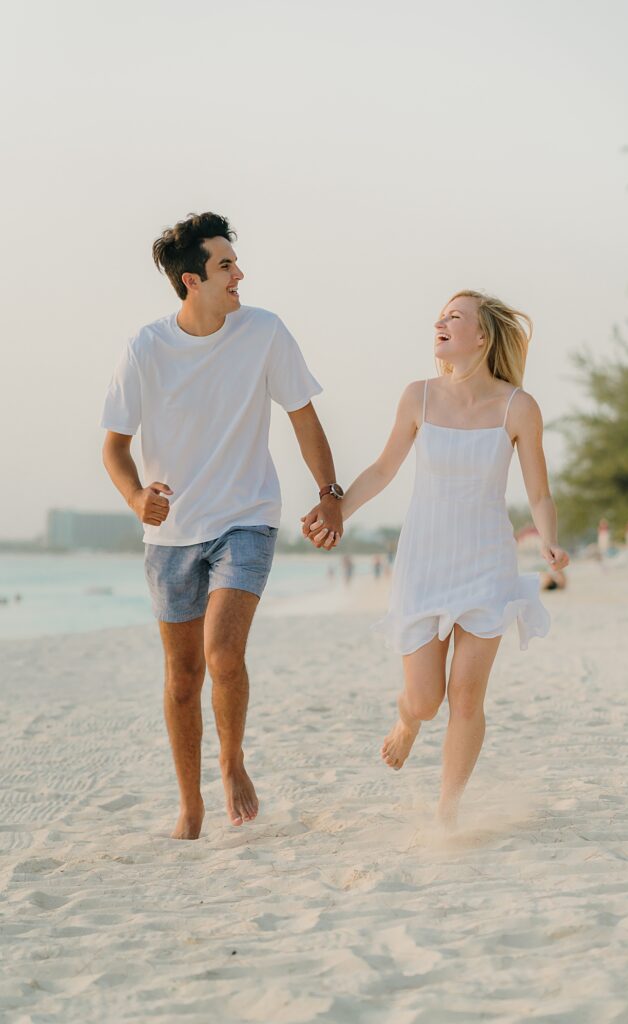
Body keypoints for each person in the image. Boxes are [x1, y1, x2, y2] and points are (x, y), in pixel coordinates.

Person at [101, 212, 343, 840]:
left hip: (246, 519)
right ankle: (191, 804)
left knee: (223, 653)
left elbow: (303, 417)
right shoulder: (146, 348)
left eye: (235, 262)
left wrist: (329, 491)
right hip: (171, 534)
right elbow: (115, 448)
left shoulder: (263, 332)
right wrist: (135, 498)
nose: (239, 274)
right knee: (183, 679)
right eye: (225, 266)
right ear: (192, 281)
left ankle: (232, 763)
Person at [302, 290, 569, 826]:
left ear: (481, 336)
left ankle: (447, 811)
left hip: (487, 563)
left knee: (466, 697)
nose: (439, 323)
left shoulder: (519, 406)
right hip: (425, 560)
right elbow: (382, 470)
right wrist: (338, 510)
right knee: (425, 700)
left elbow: (537, 491)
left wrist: (547, 539)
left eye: (454, 317)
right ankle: (406, 721)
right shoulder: (418, 397)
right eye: (441, 316)